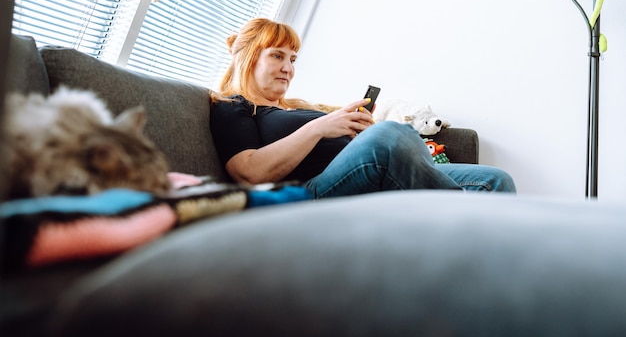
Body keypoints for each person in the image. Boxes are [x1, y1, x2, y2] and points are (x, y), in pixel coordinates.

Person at [210, 18, 516, 198]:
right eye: (277, 56)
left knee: (495, 180)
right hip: (311, 192)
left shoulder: (295, 107)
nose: (288, 68)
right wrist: (320, 127)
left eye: (293, 59)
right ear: (248, 57)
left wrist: (355, 135)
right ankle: (471, 223)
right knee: (389, 136)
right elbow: (249, 173)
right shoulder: (234, 106)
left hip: (359, 177)